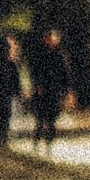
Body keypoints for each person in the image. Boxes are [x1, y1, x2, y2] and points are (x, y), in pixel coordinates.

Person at [24, 20, 67, 149]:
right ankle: (36, 143)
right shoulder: (39, 54)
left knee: (52, 120)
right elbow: (35, 72)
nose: (53, 40)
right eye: (50, 37)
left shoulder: (60, 55)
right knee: (40, 120)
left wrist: (65, 90)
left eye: (55, 37)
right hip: (42, 90)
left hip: (55, 90)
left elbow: (64, 74)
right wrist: (37, 86)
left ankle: (49, 145)